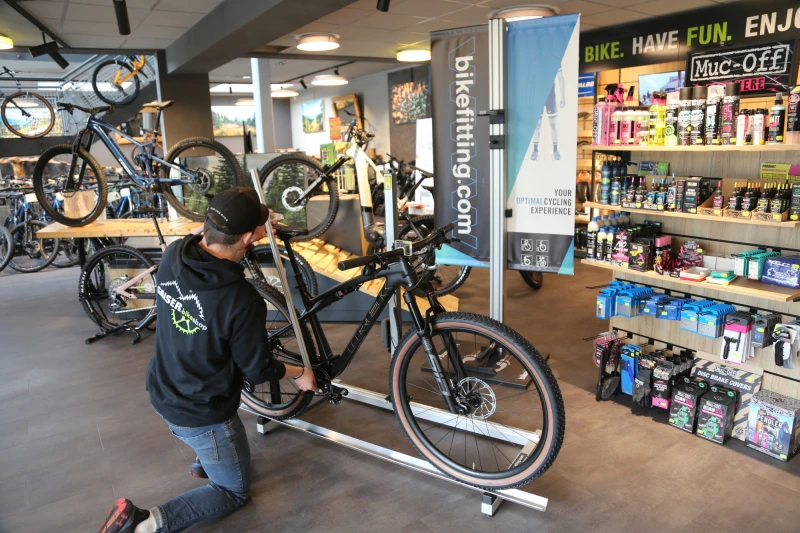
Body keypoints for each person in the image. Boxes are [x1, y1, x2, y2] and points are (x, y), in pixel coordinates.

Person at [97, 188, 318, 533]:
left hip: (162, 390)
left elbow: (204, 235)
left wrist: (248, 224)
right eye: (258, 228)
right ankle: (142, 524)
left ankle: (207, 459)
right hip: (202, 414)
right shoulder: (240, 298)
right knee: (232, 492)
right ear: (247, 238)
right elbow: (258, 370)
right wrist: (300, 372)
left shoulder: (174, 254)